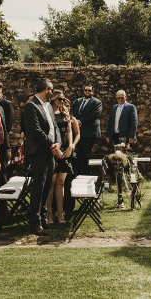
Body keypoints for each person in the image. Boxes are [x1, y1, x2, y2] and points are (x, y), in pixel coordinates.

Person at [23, 78, 62, 234]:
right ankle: (35, 222)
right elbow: (35, 130)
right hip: (39, 151)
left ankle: (44, 218)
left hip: (50, 151)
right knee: (38, 187)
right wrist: (51, 146)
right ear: (46, 89)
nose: (52, 93)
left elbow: (55, 127)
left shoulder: (47, 106)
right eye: (51, 90)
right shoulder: (31, 106)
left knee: (47, 186)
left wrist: (58, 143)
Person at [47, 91, 79, 225]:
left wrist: (70, 147)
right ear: (53, 99)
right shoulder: (48, 114)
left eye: (63, 99)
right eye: (59, 99)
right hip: (53, 151)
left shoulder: (65, 114)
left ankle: (60, 214)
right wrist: (56, 150)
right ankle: (49, 214)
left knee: (61, 183)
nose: (61, 101)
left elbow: (69, 131)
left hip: (65, 152)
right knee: (51, 184)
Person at [71, 84, 102, 177]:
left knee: (85, 155)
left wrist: (81, 121)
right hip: (77, 132)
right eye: (86, 90)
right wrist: (75, 122)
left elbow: (95, 115)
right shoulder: (77, 102)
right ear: (83, 91)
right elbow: (74, 112)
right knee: (77, 155)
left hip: (88, 132)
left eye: (89, 90)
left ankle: (84, 175)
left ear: (92, 92)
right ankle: (76, 175)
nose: (87, 92)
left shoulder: (97, 102)